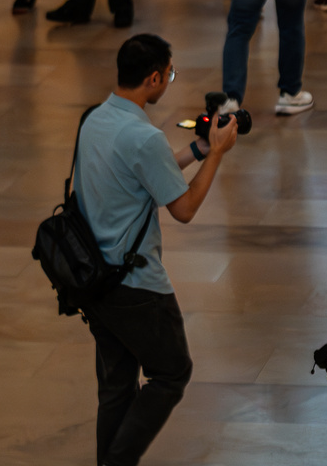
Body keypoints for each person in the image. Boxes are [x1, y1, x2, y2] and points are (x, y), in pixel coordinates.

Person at [74, 33, 240, 466]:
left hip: (94, 279)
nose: (169, 79)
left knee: (116, 387)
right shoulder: (143, 137)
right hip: (135, 284)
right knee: (172, 372)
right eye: (169, 74)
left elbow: (144, 169)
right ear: (153, 78)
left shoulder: (95, 119)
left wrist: (199, 149)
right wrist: (217, 156)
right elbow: (182, 208)